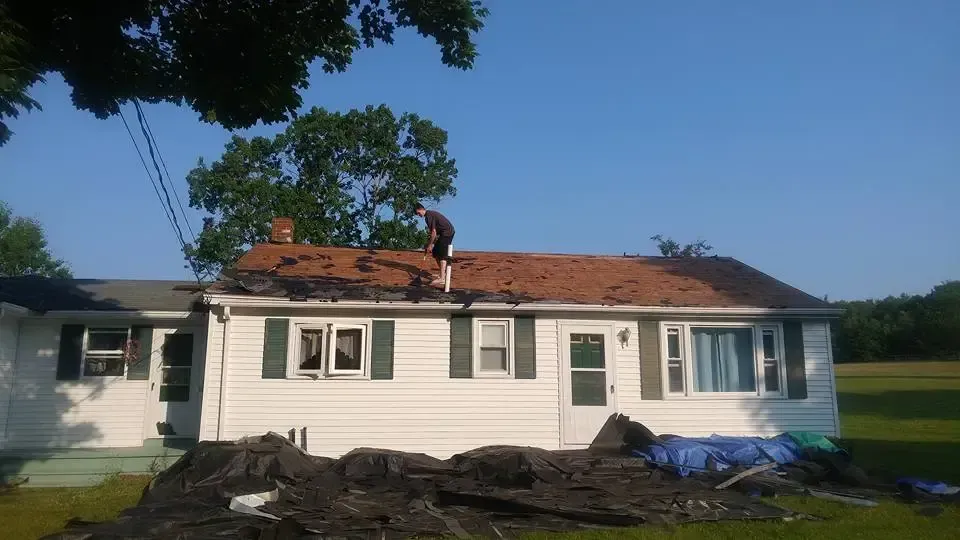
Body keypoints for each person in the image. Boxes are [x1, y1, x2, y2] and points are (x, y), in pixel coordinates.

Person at [415, 202, 455, 287]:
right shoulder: (427, 217)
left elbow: (433, 232)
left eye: (418, 213)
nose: (418, 215)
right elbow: (433, 233)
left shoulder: (429, 215)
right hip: (443, 234)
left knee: (441, 254)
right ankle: (442, 274)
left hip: (447, 232)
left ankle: (442, 279)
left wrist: (430, 245)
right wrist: (430, 244)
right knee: (435, 252)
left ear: (421, 209)